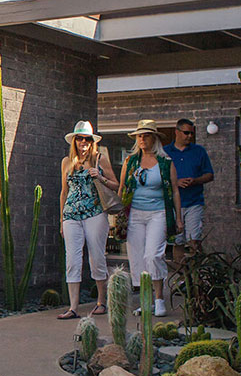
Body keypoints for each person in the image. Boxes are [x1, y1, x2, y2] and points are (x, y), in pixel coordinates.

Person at [119, 119, 182, 318]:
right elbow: (122, 188)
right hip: (135, 214)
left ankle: (159, 298)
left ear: (154, 138)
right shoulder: (130, 162)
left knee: (153, 255)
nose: (142, 138)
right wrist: (117, 212)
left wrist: (178, 218)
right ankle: (146, 301)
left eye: (146, 135)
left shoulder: (165, 163)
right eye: (139, 135)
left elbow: (175, 190)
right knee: (137, 258)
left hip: (158, 213)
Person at [58, 120, 118, 320]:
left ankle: (101, 301)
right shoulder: (67, 162)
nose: (83, 142)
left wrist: (100, 178)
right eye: (79, 138)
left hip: (95, 213)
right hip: (71, 216)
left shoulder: (100, 159)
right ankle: (73, 307)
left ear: (92, 142)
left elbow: (116, 185)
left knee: (96, 257)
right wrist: (61, 219)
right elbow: (64, 192)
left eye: (87, 139)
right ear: (74, 141)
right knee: (72, 260)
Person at [165, 117, 214, 259]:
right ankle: (180, 276)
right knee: (177, 242)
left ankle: (195, 275)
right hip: (174, 204)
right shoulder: (165, 152)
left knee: (194, 240)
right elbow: (159, 177)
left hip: (194, 202)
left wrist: (195, 181)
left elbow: (210, 175)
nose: (190, 136)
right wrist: (175, 182)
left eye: (192, 133)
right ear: (177, 132)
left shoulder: (199, 151)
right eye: (186, 133)